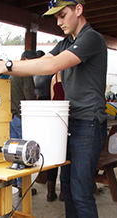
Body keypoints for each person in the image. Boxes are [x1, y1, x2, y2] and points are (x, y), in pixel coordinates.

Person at [0, 0, 108, 218]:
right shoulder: (68, 41)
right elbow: (44, 59)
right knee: (67, 188)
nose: (59, 22)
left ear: (79, 10)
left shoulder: (91, 38)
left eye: (63, 15)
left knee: (80, 191)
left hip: (89, 122)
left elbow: (51, 66)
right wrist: (8, 67)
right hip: (71, 122)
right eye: (56, 17)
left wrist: (8, 66)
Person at [9, 50, 38, 197]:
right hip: (21, 117)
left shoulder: (12, 73)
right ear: (26, 60)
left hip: (11, 116)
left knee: (14, 152)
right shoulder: (25, 75)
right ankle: (22, 186)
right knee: (24, 152)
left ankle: (14, 181)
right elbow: (29, 98)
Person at [46, 71, 65, 202]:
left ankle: (50, 193)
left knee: (54, 158)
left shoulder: (55, 77)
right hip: (68, 117)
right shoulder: (74, 76)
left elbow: (53, 99)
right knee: (66, 157)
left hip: (55, 119)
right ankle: (63, 192)